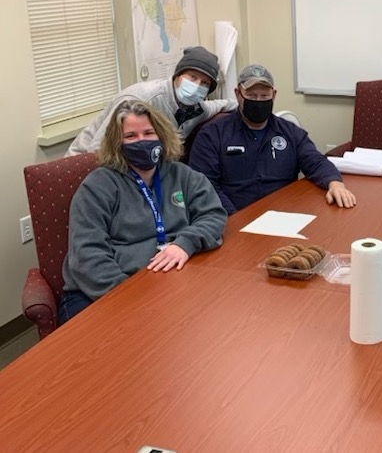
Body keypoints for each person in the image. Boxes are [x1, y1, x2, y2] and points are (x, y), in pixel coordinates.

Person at [59, 101, 228, 323]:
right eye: (131, 136)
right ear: (117, 143)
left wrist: (185, 243)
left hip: (163, 282)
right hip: (100, 291)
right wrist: (131, 297)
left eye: (149, 133)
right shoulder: (97, 186)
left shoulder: (182, 175)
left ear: (162, 135)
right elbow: (88, 256)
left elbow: (213, 215)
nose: (142, 141)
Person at [188, 63, 356, 214]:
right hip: (235, 216)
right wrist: (234, 218)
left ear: (274, 95)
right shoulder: (212, 134)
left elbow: (316, 161)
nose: (258, 101)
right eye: (252, 96)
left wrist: (335, 183)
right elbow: (205, 185)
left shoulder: (290, 132)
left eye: (264, 96)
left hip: (284, 215)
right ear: (238, 94)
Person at [65, 46, 237, 156]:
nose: (197, 85)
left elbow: (219, 105)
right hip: (84, 167)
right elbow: (96, 151)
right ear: (177, 75)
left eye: (205, 83)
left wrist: (245, 101)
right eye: (192, 77)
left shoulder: (197, 109)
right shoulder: (139, 101)